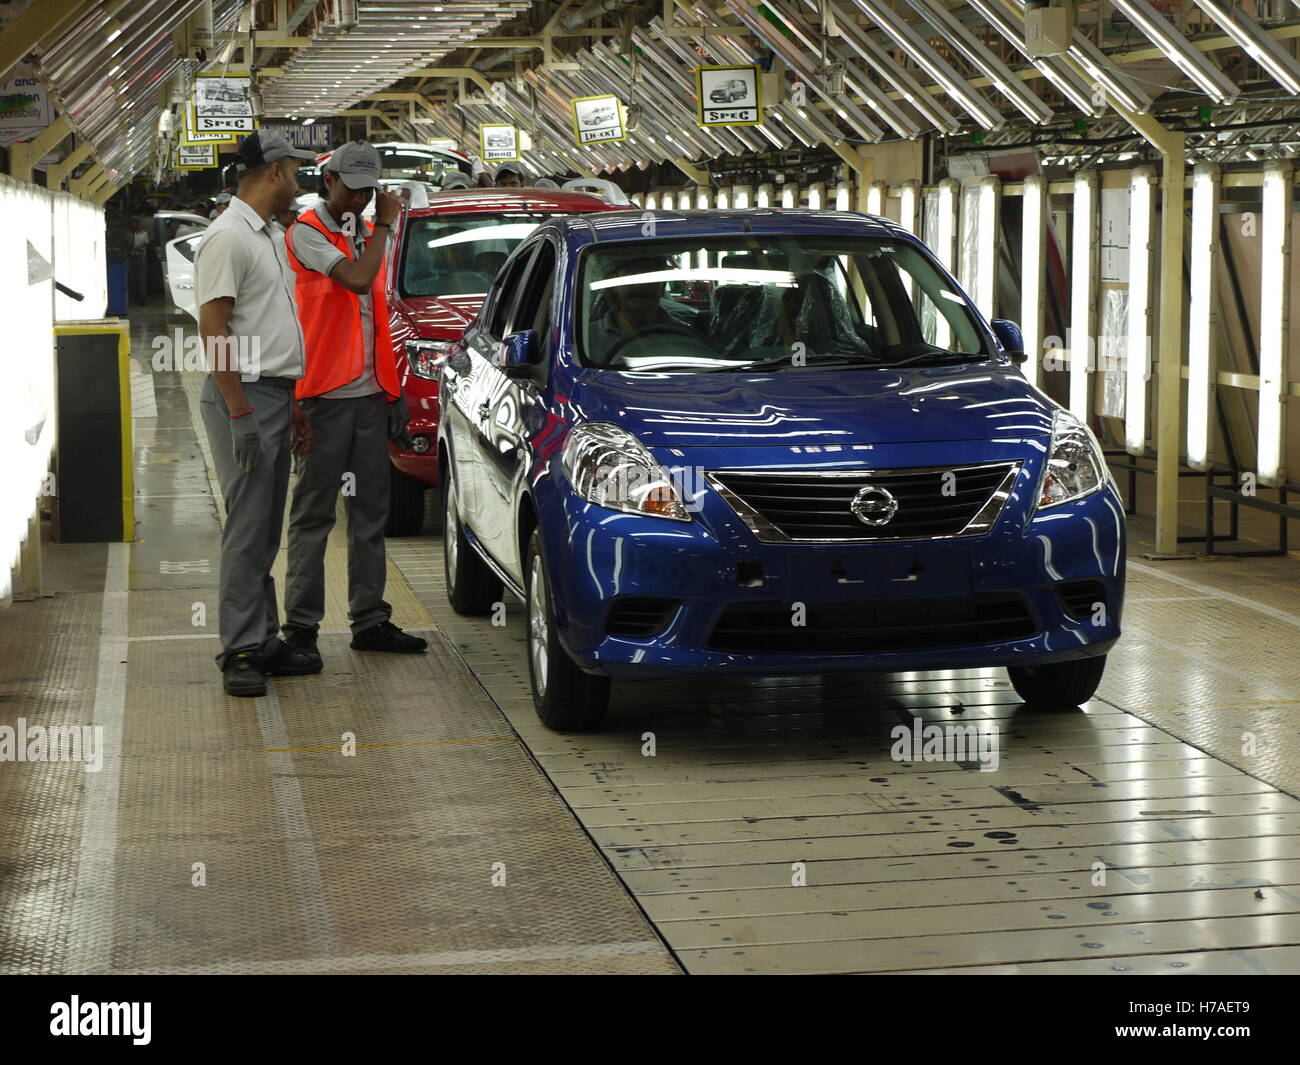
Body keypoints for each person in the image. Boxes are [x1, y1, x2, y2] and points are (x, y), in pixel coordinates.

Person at [280, 140, 428, 664]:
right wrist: (386, 225)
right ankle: (301, 629)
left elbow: (377, 320)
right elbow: (357, 281)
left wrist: (393, 391)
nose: (362, 199)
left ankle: (370, 621)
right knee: (313, 516)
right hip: (321, 398)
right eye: (353, 188)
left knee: (370, 515)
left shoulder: (365, 233)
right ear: (328, 182)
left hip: (369, 396)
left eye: (370, 190)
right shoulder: (307, 233)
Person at [195, 129, 322, 697]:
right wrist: (241, 413)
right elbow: (214, 330)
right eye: (295, 167)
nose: (299, 178)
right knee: (247, 529)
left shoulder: (268, 233)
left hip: (272, 393)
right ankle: (240, 649)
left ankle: (264, 636)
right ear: (275, 170)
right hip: (242, 395)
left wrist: (291, 404)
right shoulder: (228, 237)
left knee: (265, 524)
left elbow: (270, 326)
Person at [128, 217, 149, 304]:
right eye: (133, 223)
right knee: (132, 279)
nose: (135, 225)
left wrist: (140, 249)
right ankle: (134, 296)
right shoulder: (129, 234)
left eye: (136, 223)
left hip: (141, 258)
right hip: (130, 257)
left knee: (141, 279)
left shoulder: (144, 234)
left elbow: (146, 244)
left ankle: (142, 298)